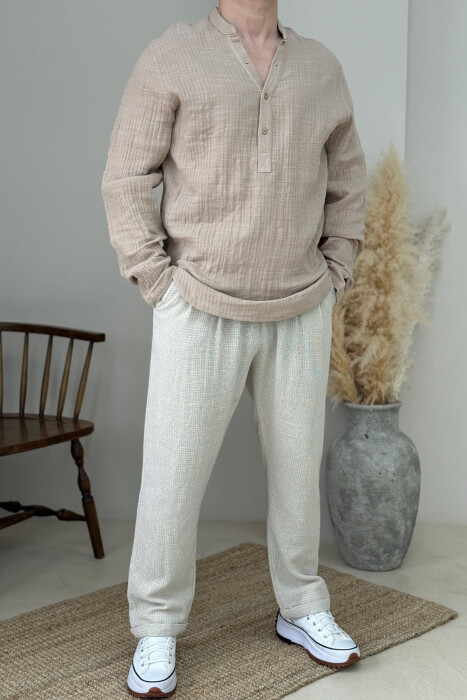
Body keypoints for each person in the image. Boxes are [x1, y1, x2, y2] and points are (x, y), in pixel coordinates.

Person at [101, 1, 366, 696]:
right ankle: (156, 626)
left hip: (301, 305)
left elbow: (348, 181)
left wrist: (336, 272)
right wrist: (157, 281)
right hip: (198, 304)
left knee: (297, 476)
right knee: (171, 478)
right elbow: (125, 176)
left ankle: (301, 606)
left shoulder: (320, 67)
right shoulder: (172, 54)